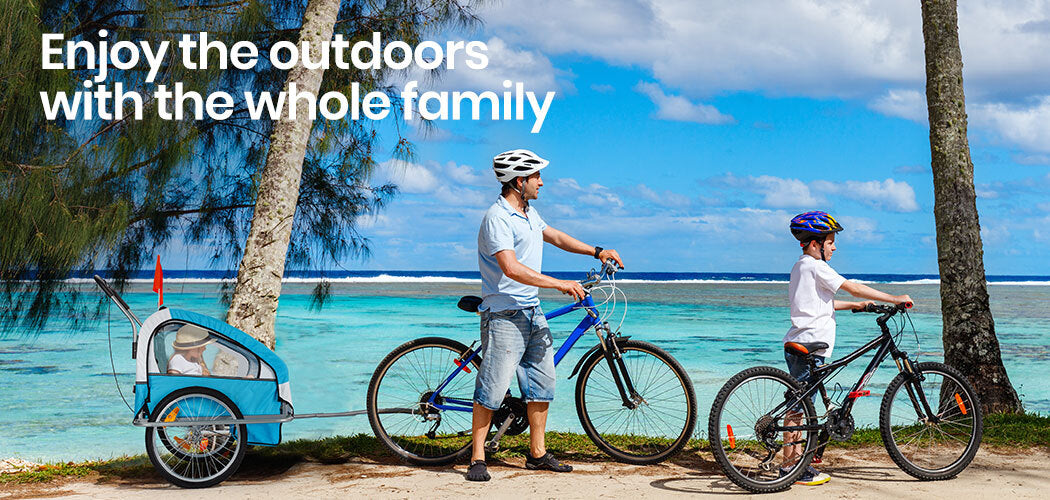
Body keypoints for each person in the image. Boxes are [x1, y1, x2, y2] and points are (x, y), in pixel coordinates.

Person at [467, 149, 624, 482]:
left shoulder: (527, 213)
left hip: (531, 310)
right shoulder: (497, 218)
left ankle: (537, 454)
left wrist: (597, 251)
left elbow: (553, 236)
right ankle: (477, 456)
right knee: (493, 388)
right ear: (519, 181)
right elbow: (510, 267)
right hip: (504, 313)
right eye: (536, 176)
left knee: (541, 383)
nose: (542, 182)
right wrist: (559, 284)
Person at [781, 211, 913, 486]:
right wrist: (893, 297)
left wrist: (855, 306)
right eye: (830, 242)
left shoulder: (800, 266)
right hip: (810, 344)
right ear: (815, 243)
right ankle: (790, 468)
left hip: (800, 340)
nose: (834, 246)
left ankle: (793, 465)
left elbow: (815, 305)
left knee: (801, 405)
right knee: (800, 408)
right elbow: (852, 287)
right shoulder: (817, 267)